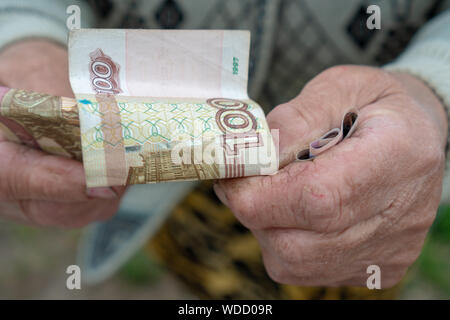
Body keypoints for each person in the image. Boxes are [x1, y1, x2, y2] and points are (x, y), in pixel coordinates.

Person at [0, 0, 449, 298]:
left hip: (365, 182)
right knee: (200, 282)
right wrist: (24, 32)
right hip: (162, 177)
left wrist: (430, 91)